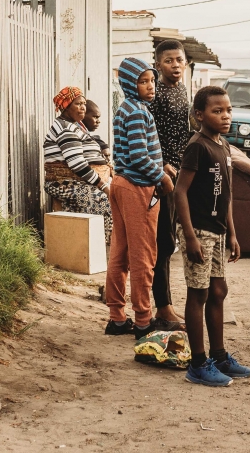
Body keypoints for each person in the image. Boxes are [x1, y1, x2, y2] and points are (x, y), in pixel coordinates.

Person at [175, 85, 250, 386]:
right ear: (199, 115)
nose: (225, 116)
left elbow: (228, 195)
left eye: (228, 110)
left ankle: (220, 356)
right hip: (198, 230)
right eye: (217, 111)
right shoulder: (197, 145)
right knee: (199, 293)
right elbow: (180, 192)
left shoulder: (222, 146)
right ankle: (197, 363)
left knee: (218, 292)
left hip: (218, 232)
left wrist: (232, 234)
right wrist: (191, 237)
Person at [104, 58, 175, 339]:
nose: (150, 86)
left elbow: (138, 152)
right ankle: (144, 320)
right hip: (137, 188)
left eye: (152, 80)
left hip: (121, 184)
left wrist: (161, 166)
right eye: (143, 81)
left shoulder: (128, 108)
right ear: (129, 84)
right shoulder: (136, 112)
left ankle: (117, 317)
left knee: (120, 253)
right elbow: (138, 156)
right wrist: (162, 177)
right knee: (144, 256)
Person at [147, 39, 192, 327]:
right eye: (169, 61)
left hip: (179, 175)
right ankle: (162, 309)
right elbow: (149, 136)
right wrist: (162, 168)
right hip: (160, 178)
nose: (175, 65)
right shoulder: (156, 94)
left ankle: (167, 306)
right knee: (162, 243)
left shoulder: (182, 90)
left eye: (179, 60)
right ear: (158, 64)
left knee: (170, 242)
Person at [43, 87, 113, 245]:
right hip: (63, 184)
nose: (83, 107)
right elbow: (77, 164)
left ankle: (101, 246)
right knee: (105, 200)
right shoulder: (66, 129)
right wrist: (103, 186)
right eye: (77, 104)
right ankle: (102, 247)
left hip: (77, 182)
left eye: (83, 104)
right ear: (66, 106)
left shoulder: (74, 126)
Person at [82, 100, 113, 164]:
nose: (98, 121)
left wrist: (103, 145)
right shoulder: (75, 131)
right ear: (83, 115)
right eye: (95, 117)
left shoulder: (84, 132)